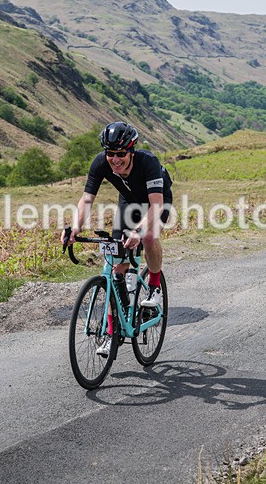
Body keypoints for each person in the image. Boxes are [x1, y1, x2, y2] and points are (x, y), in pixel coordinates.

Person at [61, 121, 173, 356]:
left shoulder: (148, 162)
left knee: (150, 236)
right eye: (110, 153)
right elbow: (87, 199)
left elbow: (156, 206)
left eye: (121, 154)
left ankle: (154, 286)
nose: (115, 159)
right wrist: (75, 228)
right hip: (129, 203)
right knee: (115, 270)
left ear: (131, 151)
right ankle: (113, 333)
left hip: (156, 200)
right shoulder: (101, 162)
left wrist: (139, 232)